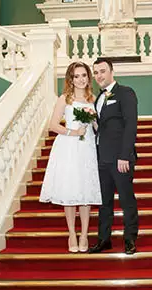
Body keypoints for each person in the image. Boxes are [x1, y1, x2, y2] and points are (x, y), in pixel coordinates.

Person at [39, 61, 102, 253]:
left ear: (88, 78)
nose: (81, 79)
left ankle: (84, 234)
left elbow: (96, 128)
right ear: (71, 79)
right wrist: (72, 132)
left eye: (84, 75)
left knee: (85, 192)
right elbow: (53, 125)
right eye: (77, 76)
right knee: (70, 191)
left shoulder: (93, 99)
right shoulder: (64, 99)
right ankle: (72, 233)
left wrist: (97, 125)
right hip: (68, 147)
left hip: (87, 147)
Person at [88, 58, 138, 255]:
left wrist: (124, 155)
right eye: (96, 72)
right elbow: (103, 128)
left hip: (120, 158)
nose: (99, 75)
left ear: (111, 71)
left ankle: (130, 239)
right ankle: (104, 239)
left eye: (102, 71)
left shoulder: (125, 93)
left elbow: (131, 125)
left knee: (127, 200)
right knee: (104, 202)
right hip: (102, 158)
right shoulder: (97, 99)